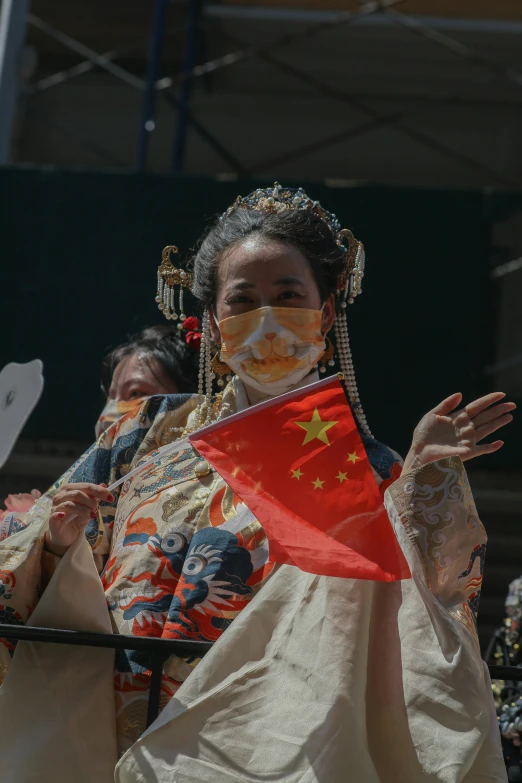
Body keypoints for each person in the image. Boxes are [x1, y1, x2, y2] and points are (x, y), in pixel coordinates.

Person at [0, 184, 515, 782]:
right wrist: (61, 544)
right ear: (213, 324)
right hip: (101, 723)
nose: (266, 318)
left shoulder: (368, 469)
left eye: (288, 295)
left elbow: (413, 620)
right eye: (242, 300)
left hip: (256, 744)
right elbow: (38, 551)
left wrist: (425, 484)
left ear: (325, 314)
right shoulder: (144, 433)